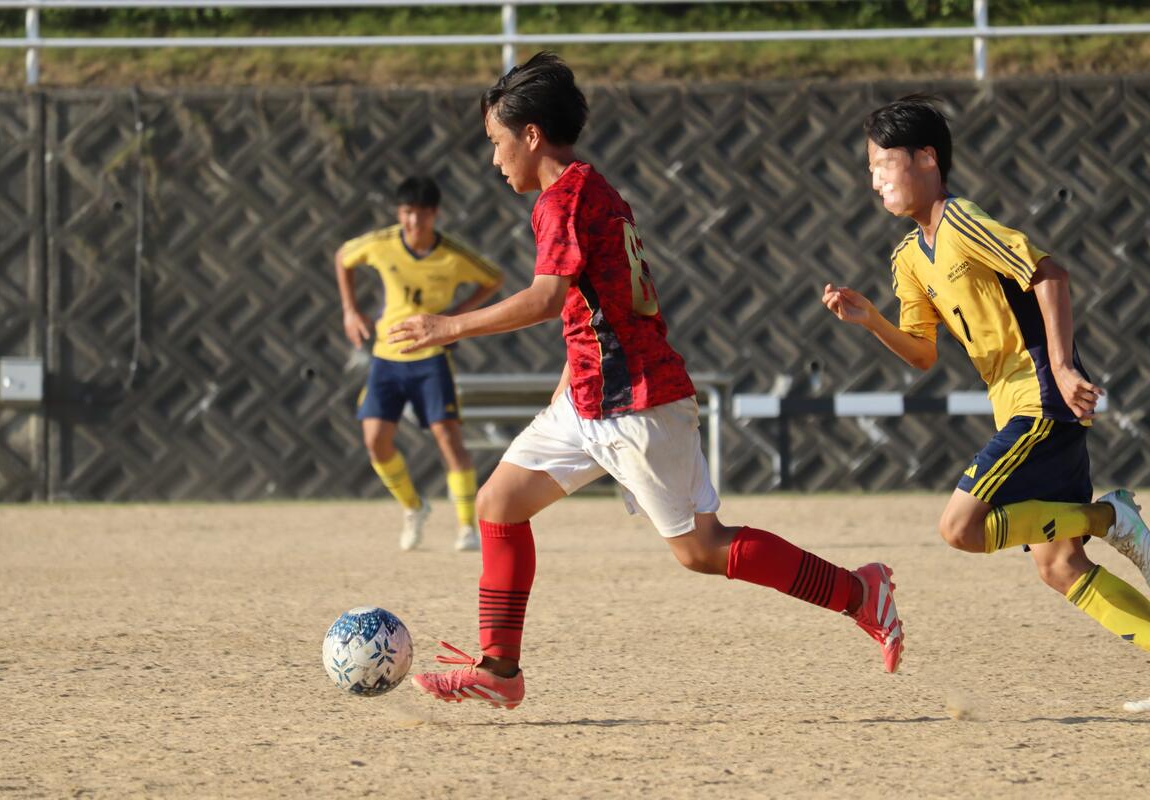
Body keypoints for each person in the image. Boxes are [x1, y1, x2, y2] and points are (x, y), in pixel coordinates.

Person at [388, 53, 904, 711]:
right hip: (591, 396)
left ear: (532, 135)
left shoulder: (563, 199)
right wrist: (568, 380)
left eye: (496, 141)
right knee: (498, 504)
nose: (494, 159)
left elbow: (547, 298)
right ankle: (498, 669)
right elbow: (596, 304)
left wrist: (448, 327)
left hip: (635, 403)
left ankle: (860, 592)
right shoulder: (590, 189)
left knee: (702, 550)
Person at [822, 95, 1150, 656]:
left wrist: (1063, 367)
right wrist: (872, 320)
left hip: (1040, 395)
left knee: (961, 528)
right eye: (870, 169)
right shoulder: (907, 257)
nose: (875, 180)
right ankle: (1106, 520)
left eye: (883, 164)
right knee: (1059, 564)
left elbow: (1049, 273)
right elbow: (923, 354)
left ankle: (1108, 516)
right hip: (1013, 404)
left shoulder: (962, 221)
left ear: (927, 158)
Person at [336, 176, 503, 552]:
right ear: (400, 213)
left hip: (431, 358)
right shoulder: (382, 244)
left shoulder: (452, 255)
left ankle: (467, 528)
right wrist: (350, 311)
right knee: (375, 441)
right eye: (407, 213)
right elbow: (343, 257)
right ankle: (413, 507)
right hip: (387, 357)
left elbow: (493, 279)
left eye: (422, 214)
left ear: (435, 214)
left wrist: (456, 318)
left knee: (449, 439)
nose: (414, 222)